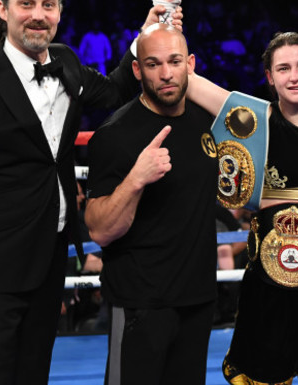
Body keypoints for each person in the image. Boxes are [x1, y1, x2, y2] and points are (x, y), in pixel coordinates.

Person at [0, 0, 182, 385]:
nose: (38, 14)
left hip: (47, 266)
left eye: (48, 5)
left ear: (58, 13)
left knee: (33, 376)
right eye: (26, 4)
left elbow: (114, 90)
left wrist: (159, 15)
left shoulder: (67, 63)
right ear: (2, 10)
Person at [187, 31, 298, 385]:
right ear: (269, 77)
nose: (293, 76)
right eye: (283, 68)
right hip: (266, 286)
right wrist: (167, 11)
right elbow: (185, 79)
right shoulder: (254, 120)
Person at [85, 23, 218, 385]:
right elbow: (100, 229)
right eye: (153, 64)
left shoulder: (206, 119)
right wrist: (135, 179)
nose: (165, 73)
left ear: (190, 63)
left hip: (198, 296)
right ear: (137, 70)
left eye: (174, 61)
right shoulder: (115, 135)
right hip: (140, 301)